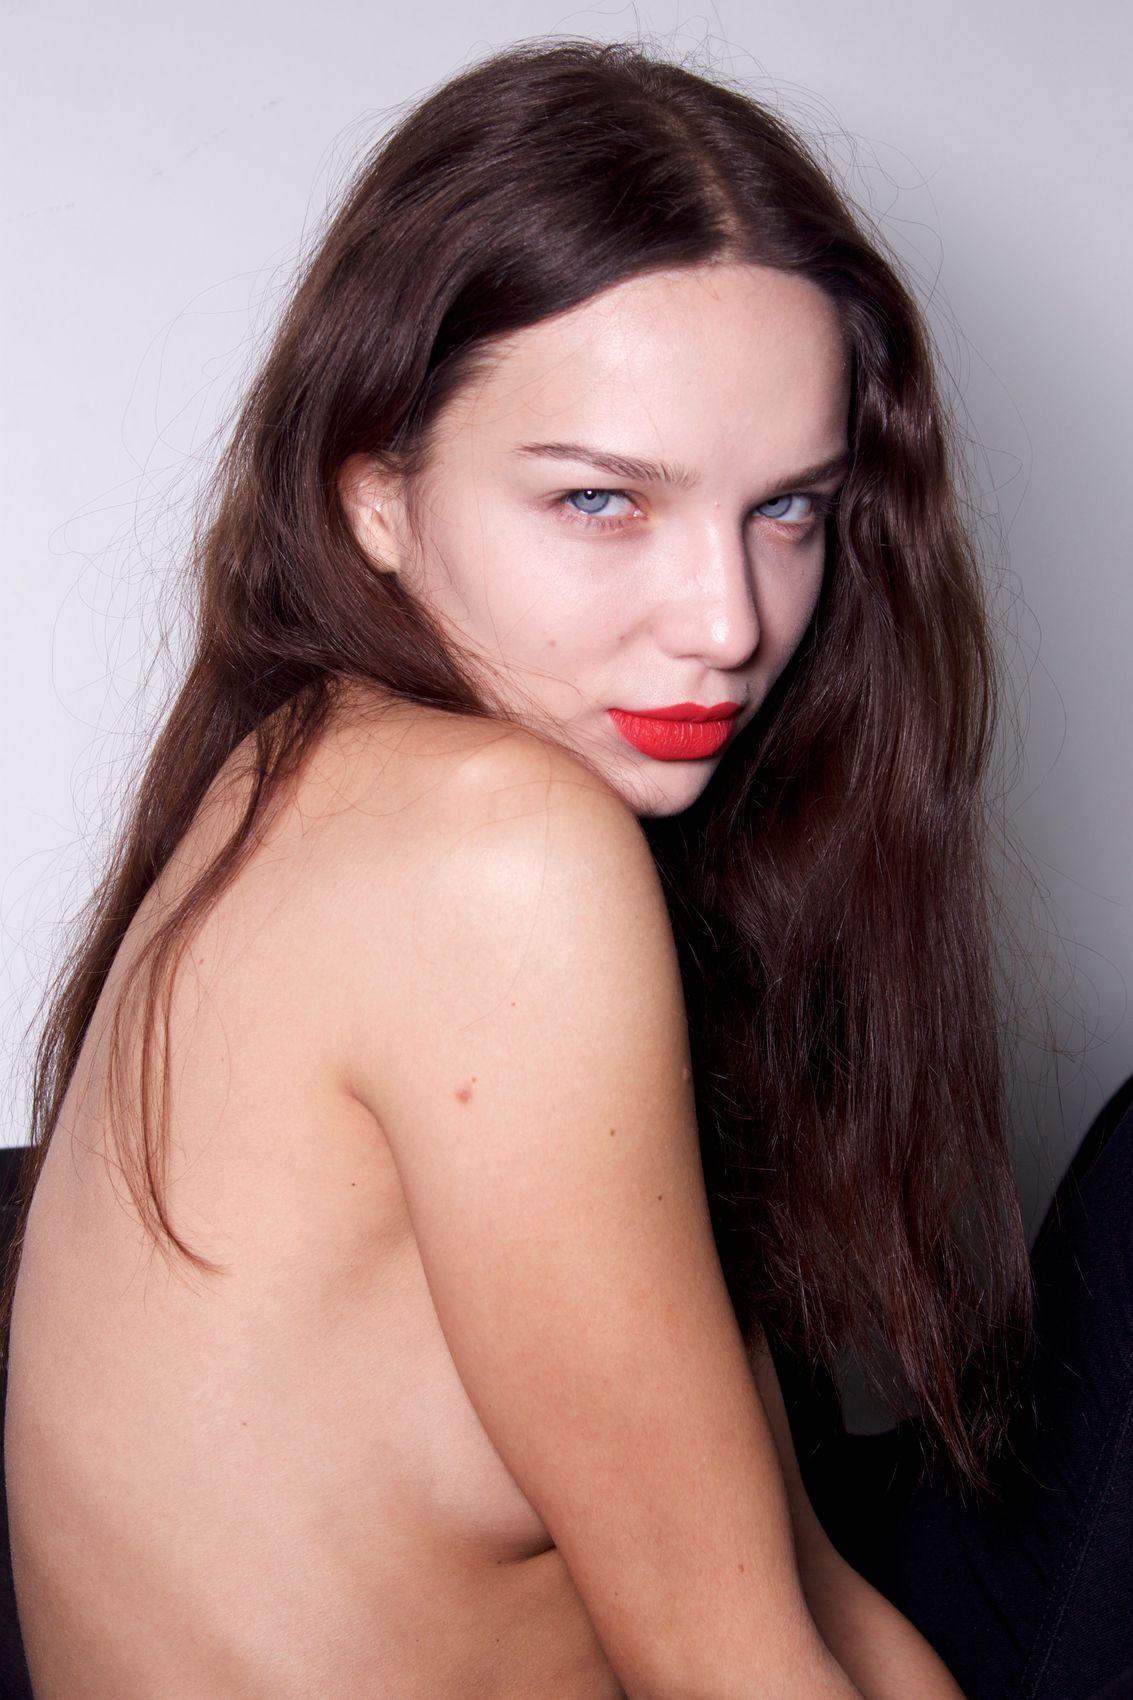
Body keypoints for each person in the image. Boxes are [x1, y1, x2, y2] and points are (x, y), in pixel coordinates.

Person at [1, 34, 1128, 1700]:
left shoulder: (310, 770)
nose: (727, 623)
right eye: (603, 502)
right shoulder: (495, 858)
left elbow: (801, 1594)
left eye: (789, 511)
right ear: (376, 495)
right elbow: (732, 1665)